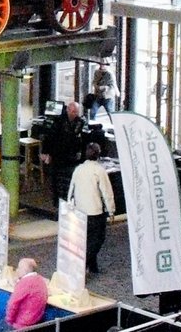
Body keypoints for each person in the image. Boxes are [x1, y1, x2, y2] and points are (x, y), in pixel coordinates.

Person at [68, 143, 116, 275]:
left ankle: (93, 266)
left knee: (85, 239)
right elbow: (107, 192)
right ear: (98, 154)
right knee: (97, 239)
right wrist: (111, 210)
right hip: (95, 211)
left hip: (80, 210)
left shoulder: (78, 169)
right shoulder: (99, 170)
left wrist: (69, 206)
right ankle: (84, 263)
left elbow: (71, 189)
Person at [41, 101, 85, 202]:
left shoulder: (80, 122)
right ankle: (56, 199)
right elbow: (50, 137)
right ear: (67, 110)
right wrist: (46, 152)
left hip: (71, 155)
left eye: (76, 112)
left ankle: (68, 198)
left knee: (70, 177)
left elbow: (78, 138)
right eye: (73, 111)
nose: (74, 114)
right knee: (55, 177)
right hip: (58, 153)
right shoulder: (59, 121)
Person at [3, 258, 47, 330]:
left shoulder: (25, 283)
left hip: (20, 325)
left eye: (19, 268)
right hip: (35, 322)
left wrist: (9, 322)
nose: (17, 270)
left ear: (24, 270)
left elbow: (12, 304)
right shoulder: (41, 281)